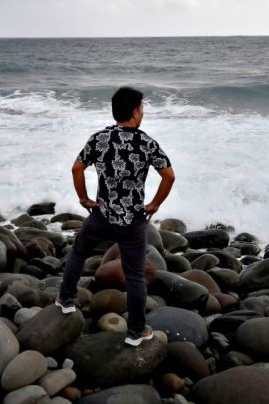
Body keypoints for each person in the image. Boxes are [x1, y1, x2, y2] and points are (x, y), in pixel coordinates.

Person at [55, 86, 176, 346]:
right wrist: (154, 204)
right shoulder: (146, 143)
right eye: (141, 108)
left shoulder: (100, 138)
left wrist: (84, 198)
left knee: (78, 252)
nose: (143, 112)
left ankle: (65, 300)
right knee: (134, 276)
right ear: (134, 111)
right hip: (133, 220)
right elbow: (169, 176)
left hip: (102, 215)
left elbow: (77, 168)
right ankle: (137, 331)